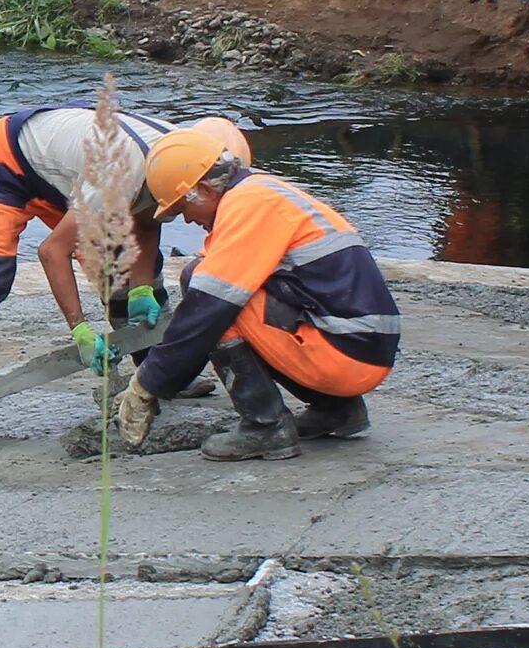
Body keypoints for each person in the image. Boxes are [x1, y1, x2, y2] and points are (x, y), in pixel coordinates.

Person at [0, 106, 257, 455]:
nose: (197, 220)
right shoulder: (126, 174)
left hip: (73, 173)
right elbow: (53, 252)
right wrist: (80, 331)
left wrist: (143, 288)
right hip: (8, 163)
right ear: (199, 187)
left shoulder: (178, 158)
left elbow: (148, 219)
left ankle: (159, 375)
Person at [111, 127, 398, 463]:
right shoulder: (263, 191)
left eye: (180, 208)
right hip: (359, 348)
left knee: (211, 295)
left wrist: (148, 383)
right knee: (216, 286)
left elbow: (206, 309)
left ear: (203, 189)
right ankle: (336, 410)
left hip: (346, 356)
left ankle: (266, 427)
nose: (186, 220)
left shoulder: (248, 205)